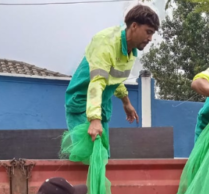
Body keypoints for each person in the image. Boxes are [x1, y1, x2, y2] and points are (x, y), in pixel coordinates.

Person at [65, 5, 160, 142]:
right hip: (82, 104)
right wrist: (94, 119)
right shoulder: (106, 42)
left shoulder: (131, 51)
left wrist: (126, 102)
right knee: (86, 152)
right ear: (134, 26)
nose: (150, 38)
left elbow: (114, 79)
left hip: (101, 107)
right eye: (148, 32)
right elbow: (97, 81)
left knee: (103, 153)